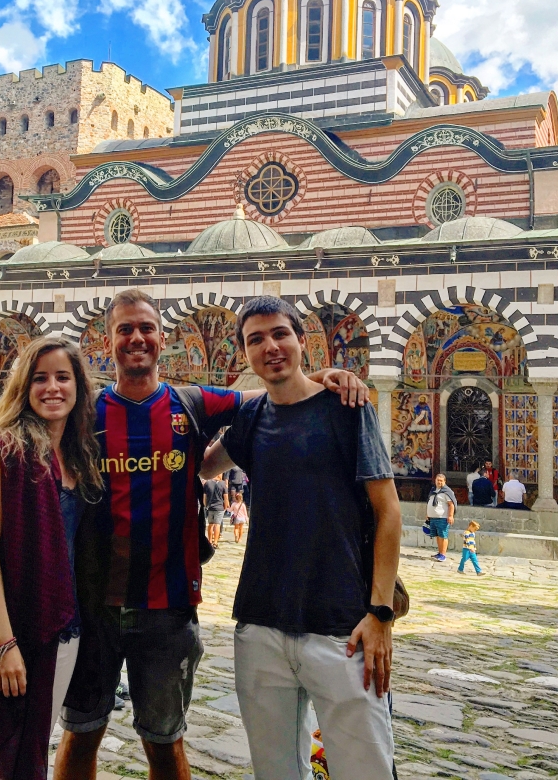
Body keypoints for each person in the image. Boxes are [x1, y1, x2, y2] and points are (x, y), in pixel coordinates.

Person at [56, 289, 367, 780]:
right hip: (93, 605)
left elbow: (270, 394)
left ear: (163, 338)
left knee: (165, 742)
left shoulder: (192, 403)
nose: (136, 338)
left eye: (146, 328)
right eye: (124, 329)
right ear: (106, 339)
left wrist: (324, 376)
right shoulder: (85, 412)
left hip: (168, 608)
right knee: (80, 734)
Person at [199, 295, 401, 780]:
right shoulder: (251, 418)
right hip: (261, 623)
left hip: (341, 626)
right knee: (276, 771)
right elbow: (203, 466)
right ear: (244, 353)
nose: (270, 347)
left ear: (302, 340)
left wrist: (380, 614)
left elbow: (389, 511)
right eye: (256, 340)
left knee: (366, 770)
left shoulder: (346, 408)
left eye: (280, 334)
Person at [0, 336, 102, 780]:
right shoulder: (6, 450)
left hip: (62, 623)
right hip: (0, 624)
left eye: (63, 377)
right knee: (11, 757)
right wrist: (4, 644)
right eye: (40, 378)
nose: (52, 388)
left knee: (35, 748)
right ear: (24, 387)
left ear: (78, 386)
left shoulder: (81, 457)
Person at [427, 473, 457, 562]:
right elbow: (430, 502)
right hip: (433, 517)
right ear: (435, 480)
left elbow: (451, 504)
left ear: (444, 481)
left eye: (441, 480)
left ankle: (443, 554)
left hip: (442, 517)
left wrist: (450, 516)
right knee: (438, 535)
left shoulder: (447, 492)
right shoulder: (433, 490)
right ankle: (439, 553)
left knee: (443, 536)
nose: (439, 482)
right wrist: (428, 514)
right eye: (438, 480)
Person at [203, 474, 228, 548]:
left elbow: (204, 497)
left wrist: (206, 505)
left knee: (210, 524)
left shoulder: (207, 483)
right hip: (219, 507)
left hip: (210, 507)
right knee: (217, 524)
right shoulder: (223, 484)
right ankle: (215, 542)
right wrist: (225, 507)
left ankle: (210, 541)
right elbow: (225, 497)